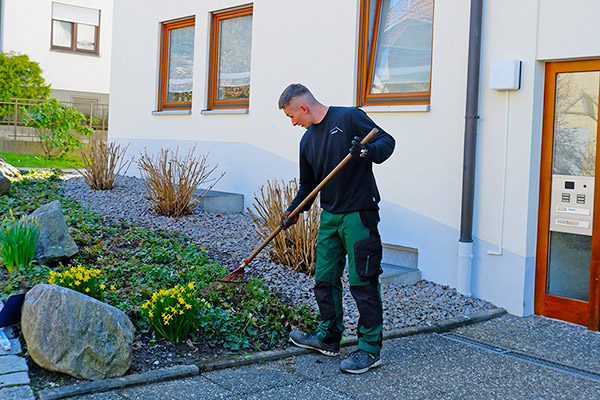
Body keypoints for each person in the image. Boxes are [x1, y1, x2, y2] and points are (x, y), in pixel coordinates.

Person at [278, 83, 395, 374]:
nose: (293, 123)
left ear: (303, 108)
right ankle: (328, 338)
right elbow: (308, 186)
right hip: (329, 216)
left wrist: (365, 151)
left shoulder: (349, 117)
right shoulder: (307, 141)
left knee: (362, 282)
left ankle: (369, 349)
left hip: (359, 215)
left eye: (292, 116)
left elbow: (387, 143)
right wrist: (294, 209)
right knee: (324, 279)